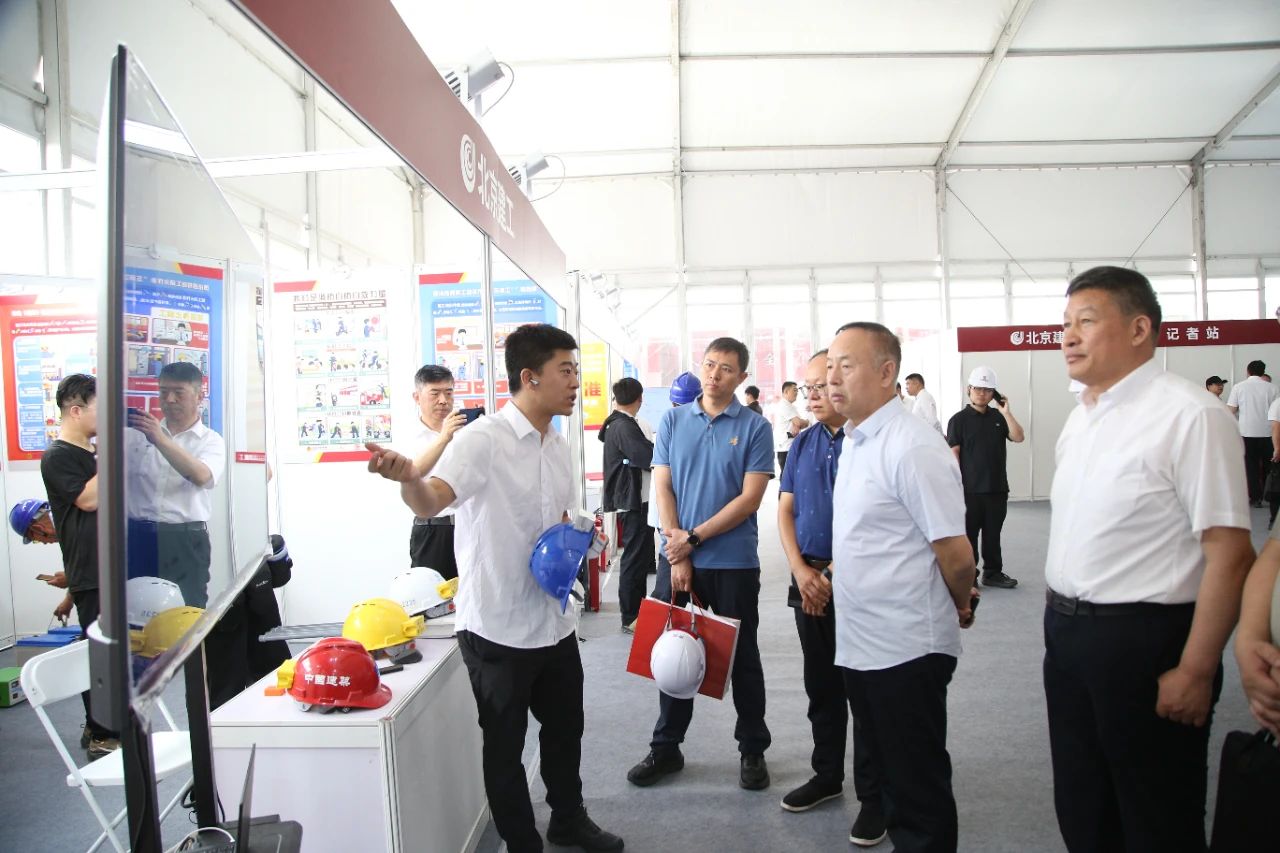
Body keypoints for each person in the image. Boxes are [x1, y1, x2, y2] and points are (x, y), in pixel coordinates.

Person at [366, 324, 622, 853]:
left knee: (565, 729)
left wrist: (580, 537)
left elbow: (556, 521)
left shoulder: (558, 443)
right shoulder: (483, 440)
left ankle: (568, 818)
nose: (576, 382)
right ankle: (521, 841)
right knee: (505, 746)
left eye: (576, 371)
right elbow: (432, 500)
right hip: (498, 626)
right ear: (530, 377)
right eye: (566, 371)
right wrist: (409, 478)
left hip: (553, 620)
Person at [1044, 266, 1254, 853]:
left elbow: (1231, 554)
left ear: (1139, 329)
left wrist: (1196, 669)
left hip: (1146, 640)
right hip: (1068, 636)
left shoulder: (1191, 415)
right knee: (1083, 807)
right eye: (1065, 324)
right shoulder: (1082, 417)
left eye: (1086, 321)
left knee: (1157, 816)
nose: (1068, 337)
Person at [824, 323, 976, 852]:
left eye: (846, 366)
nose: (832, 378)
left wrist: (960, 603)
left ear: (887, 372)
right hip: (862, 643)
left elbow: (956, 554)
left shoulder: (912, 445)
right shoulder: (857, 440)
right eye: (829, 366)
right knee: (889, 779)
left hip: (907, 647)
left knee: (917, 790)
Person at [627, 337, 775, 792]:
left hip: (732, 561)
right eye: (709, 364)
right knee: (672, 651)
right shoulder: (673, 420)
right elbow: (663, 486)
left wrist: (693, 540)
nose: (714, 374)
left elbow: (750, 499)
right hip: (677, 555)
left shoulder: (755, 427)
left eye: (726, 368)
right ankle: (666, 747)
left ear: (741, 377)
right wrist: (677, 548)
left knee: (742, 657)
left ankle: (752, 749)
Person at [778, 352, 885, 846]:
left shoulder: (869, 443)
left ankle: (875, 798)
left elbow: (875, 521)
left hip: (860, 583)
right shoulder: (803, 443)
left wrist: (828, 575)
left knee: (864, 690)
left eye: (822, 385)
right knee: (820, 684)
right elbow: (786, 511)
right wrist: (802, 571)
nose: (814, 395)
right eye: (809, 387)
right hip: (808, 578)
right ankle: (826, 775)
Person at [39, 374, 121, 757]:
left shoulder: (94, 454)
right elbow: (88, 500)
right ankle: (102, 733)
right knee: (99, 654)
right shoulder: (57, 456)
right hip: (90, 570)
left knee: (114, 652)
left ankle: (99, 725)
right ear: (75, 410)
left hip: (111, 567)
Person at [125, 361, 226, 607]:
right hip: (138, 536)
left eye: (178, 392)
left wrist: (159, 439)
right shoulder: (136, 435)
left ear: (199, 396)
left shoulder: (211, 441)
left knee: (187, 610)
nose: (169, 399)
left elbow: (202, 476)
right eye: (163, 392)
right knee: (136, 608)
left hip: (184, 540)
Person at [946, 366, 1025, 590]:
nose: (982, 393)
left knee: (993, 535)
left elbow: (1018, 437)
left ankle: (993, 573)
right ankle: (969, 575)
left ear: (994, 394)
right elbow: (954, 454)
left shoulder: (999, 417)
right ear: (969, 389)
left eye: (988, 390)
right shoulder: (958, 420)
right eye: (978, 388)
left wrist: (1006, 412)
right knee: (968, 536)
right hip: (969, 490)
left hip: (996, 488)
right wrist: (954, 487)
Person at [394, 364, 467, 578]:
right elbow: (411, 472)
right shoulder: (408, 434)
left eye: (449, 393)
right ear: (417, 397)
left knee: (472, 592)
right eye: (435, 393)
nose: (443, 400)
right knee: (431, 593)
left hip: (468, 526)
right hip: (433, 529)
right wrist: (444, 437)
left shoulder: (466, 430)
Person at [599, 377, 655, 632]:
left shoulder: (619, 423)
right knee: (634, 560)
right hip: (632, 501)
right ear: (639, 399)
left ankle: (637, 613)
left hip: (631, 498)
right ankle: (631, 616)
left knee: (638, 559)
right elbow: (647, 456)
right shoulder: (623, 426)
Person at [649, 371, 702, 604]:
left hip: (671, 526)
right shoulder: (677, 425)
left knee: (668, 604)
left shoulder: (668, 424)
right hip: (679, 526)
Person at [1227, 359, 1279, 508]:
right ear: (1263, 372)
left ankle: (1255, 498)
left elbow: (1231, 410)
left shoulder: (1239, 387)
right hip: (1268, 433)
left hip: (1247, 433)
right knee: (1270, 467)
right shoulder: (1273, 388)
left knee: (1251, 467)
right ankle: (1271, 496)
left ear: (1248, 371)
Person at [773, 381, 808, 474]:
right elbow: (799, 422)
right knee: (786, 475)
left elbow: (798, 423)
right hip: (785, 447)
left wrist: (799, 424)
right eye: (794, 390)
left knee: (792, 474)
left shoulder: (790, 406)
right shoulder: (784, 405)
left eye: (797, 390)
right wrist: (807, 422)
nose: (797, 393)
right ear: (786, 392)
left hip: (790, 445)